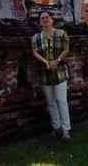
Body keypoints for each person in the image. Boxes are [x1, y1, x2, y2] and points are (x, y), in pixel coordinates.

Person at [31, 11, 72, 140]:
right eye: (42, 18)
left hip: (60, 72)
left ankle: (66, 130)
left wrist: (57, 60)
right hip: (45, 72)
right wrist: (46, 62)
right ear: (40, 22)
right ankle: (56, 128)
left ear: (52, 19)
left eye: (47, 17)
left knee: (62, 101)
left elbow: (66, 49)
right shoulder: (36, 37)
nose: (45, 20)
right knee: (51, 103)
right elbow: (34, 52)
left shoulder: (61, 33)